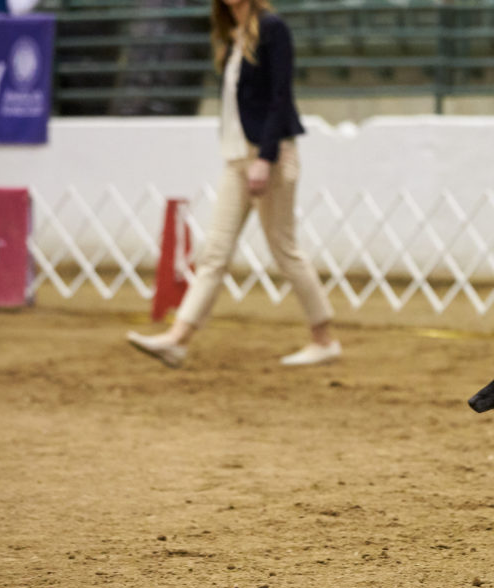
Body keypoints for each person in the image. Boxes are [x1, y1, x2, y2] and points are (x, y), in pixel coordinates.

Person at [127, 0, 339, 368]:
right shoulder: (232, 35)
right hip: (236, 158)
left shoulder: (272, 28)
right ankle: (178, 339)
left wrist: (265, 157)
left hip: (266, 157)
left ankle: (324, 339)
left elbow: (280, 98)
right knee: (215, 253)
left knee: (284, 250)